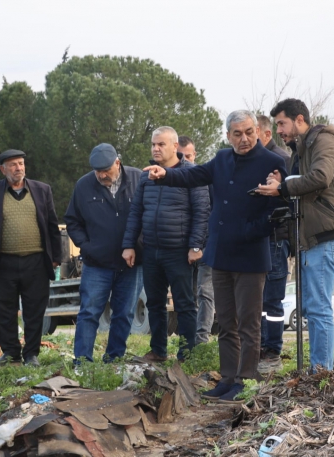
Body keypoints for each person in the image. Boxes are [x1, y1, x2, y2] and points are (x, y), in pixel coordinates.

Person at [143, 111, 287, 403]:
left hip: (250, 255)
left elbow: (279, 213)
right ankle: (228, 378)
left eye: (248, 132)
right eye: (237, 133)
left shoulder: (273, 163)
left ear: (257, 131)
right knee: (225, 323)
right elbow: (193, 174)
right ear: (228, 135)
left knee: (249, 323)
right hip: (220, 254)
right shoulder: (221, 159)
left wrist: (249, 231)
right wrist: (166, 174)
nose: (244, 138)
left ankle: (246, 380)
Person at [257, 98, 334, 373]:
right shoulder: (300, 149)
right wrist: (282, 181)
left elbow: (320, 177)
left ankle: (321, 372)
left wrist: (283, 188)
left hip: (325, 235)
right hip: (310, 237)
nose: (279, 131)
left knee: (318, 309)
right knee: (312, 308)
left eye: (282, 124)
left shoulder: (323, 141)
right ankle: (317, 370)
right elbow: (298, 191)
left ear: (300, 120)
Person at [122, 127, 210, 362]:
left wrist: (195, 246)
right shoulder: (146, 175)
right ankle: (158, 351)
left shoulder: (192, 174)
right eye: (153, 144)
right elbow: (136, 212)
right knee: (154, 303)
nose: (155, 148)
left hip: (179, 251)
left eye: (160, 144)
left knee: (184, 304)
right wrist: (128, 244)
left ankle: (187, 354)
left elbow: (202, 211)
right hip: (151, 250)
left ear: (174, 147)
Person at [0, 149, 62, 367]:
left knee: (34, 311)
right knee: (4, 311)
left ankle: (31, 354)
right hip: (2, 263)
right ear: (2, 169)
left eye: (21, 163)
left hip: (35, 262)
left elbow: (52, 226)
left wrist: (55, 257)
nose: (19, 168)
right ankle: (10, 353)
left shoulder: (42, 190)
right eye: (13, 164)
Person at [65, 143, 144, 364]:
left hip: (132, 263)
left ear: (117, 163)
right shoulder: (84, 185)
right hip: (96, 264)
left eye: (106, 170)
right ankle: (82, 361)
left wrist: (139, 246)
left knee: (124, 313)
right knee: (89, 312)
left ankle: (114, 358)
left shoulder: (138, 180)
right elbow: (72, 221)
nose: (101, 175)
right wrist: (86, 246)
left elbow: (148, 217)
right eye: (97, 171)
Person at [256, 115, 291, 373]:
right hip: (255, 238)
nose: (245, 139)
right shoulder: (249, 160)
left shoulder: (279, 160)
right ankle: (256, 346)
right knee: (255, 300)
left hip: (276, 238)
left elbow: (289, 199)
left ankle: (272, 350)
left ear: (266, 134)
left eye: (251, 133)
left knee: (272, 300)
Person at [178, 135, 216, 345]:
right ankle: (189, 340)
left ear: (195, 155)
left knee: (205, 293)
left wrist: (203, 245)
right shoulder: (173, 179)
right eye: (182, 156)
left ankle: (202, 339)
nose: (186, 161)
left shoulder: (206, 178)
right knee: (187, 295)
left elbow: (211, 212)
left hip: (206, 246)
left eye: (189, 156)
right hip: (182, 248)